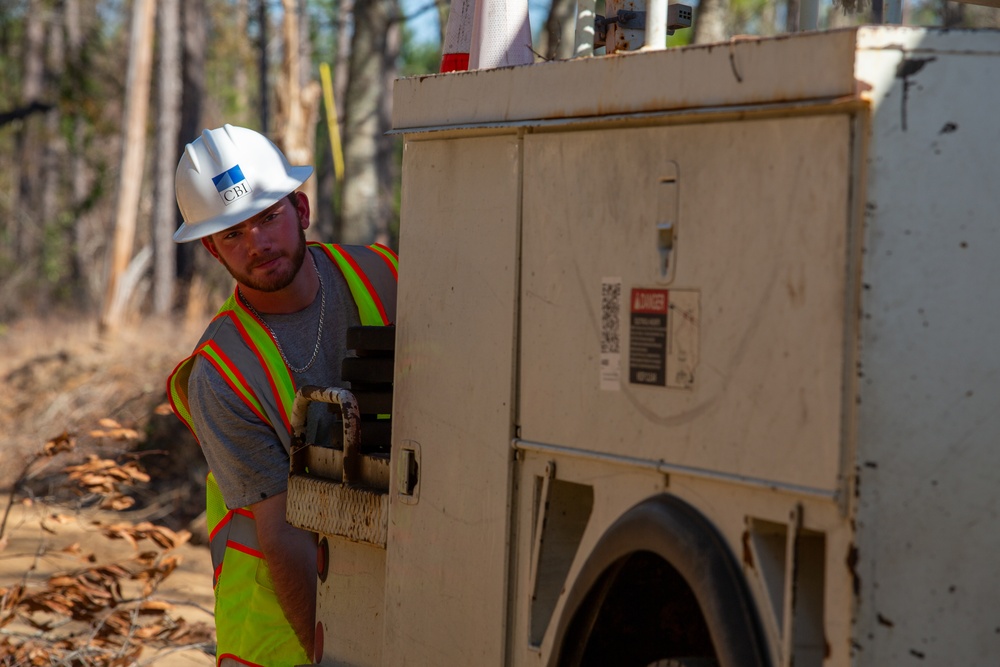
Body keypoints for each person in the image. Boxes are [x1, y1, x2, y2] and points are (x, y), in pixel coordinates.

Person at [166, 124, 397, 667]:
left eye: (269, 217)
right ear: (211, 249)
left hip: (396, 566)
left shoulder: (386, 277)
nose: (258, 244)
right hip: (280, 617)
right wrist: (328, 650)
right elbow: (284, 528)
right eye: (233, 234)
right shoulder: (220, 374)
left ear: (302, 208)